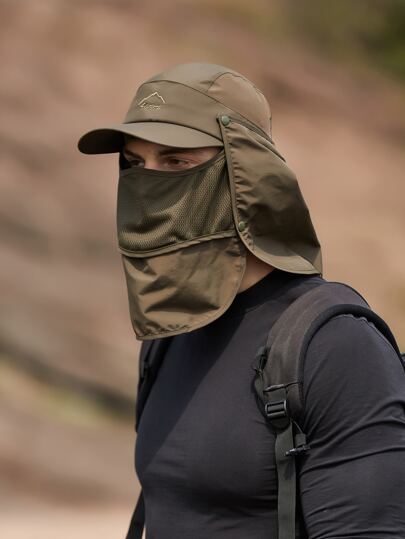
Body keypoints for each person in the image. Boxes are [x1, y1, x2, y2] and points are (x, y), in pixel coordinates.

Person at [78, 63, 405, 539]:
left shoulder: (335, 347)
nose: (147, 186)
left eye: (176, 161)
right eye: (134, 164)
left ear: (244, 170)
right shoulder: (169, 335)